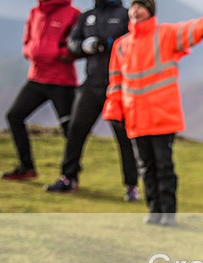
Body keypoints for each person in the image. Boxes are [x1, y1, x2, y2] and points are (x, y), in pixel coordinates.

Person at [102, 0, 203, 225]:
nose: (135, 10)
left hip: (162, 116)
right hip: (136, 118)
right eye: (133, 6)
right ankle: (154, 211)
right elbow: (115, 82)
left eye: (141, 6)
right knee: (145, 167)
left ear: (150, 11)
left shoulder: (165, 34)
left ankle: (168, 214)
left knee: (164, 166)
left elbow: (192, 30)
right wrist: (115, 111)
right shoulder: (121, 45)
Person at [45, 0, 139, 198]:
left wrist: (110, 43)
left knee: (125, 137)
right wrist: (84, 46)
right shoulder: (87, 16)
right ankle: (68, 178)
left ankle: (132, 186)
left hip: (118, 86)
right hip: (91, 84)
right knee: (75, 132)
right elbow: (72, 43)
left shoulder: (125, 14)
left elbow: (137, 42)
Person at [1, 0, 80, 181]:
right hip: (36, 78)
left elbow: (76, 46)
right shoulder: (35, 12)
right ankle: (26, 167)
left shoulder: (73, 13)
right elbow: (27, 40)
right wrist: (31, 51)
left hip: (62, 81)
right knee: (14, 116)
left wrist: (54, 53)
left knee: (70, 129)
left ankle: (70, 176)